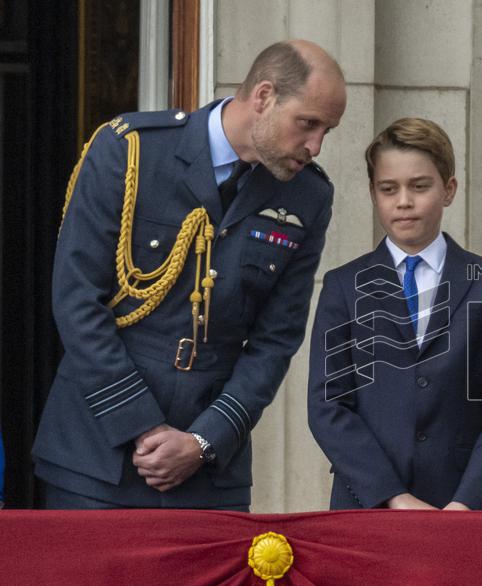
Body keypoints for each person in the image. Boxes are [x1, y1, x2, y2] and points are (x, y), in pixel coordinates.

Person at [33, 40, 347, 510]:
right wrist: (142, 425)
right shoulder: (130, 151)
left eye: (327, 130)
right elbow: (77, 300)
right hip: (95, 457)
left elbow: (276, 340)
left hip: (209, 473)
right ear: (263, 96)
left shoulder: (309, 196)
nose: (316, 145)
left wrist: (202, 442)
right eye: (308, 123)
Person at [308, 117, 482, 510]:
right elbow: (328, 406)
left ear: (449, 190)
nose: (403, 201)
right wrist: (393, 497)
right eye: (388, 189)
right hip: (367, 503)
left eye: (420, 186)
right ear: (374, 193)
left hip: (460, 506)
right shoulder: (342, 286)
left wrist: (468, 502)